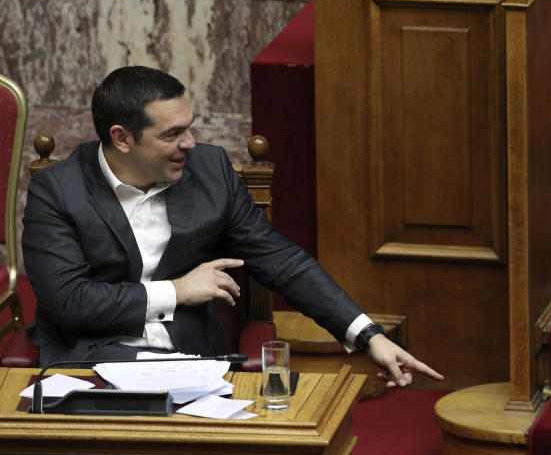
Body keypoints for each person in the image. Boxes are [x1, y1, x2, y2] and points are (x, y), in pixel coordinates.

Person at [22, 66, 443, 387]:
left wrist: (368, 334)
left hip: (189, 365)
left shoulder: (209, 170)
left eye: (190, 126)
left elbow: (281, 260)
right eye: (173, 134)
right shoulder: (57, 191)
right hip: (88, 366)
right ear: (122, 138)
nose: (190, 142)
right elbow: (69, 301)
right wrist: (177, 291)